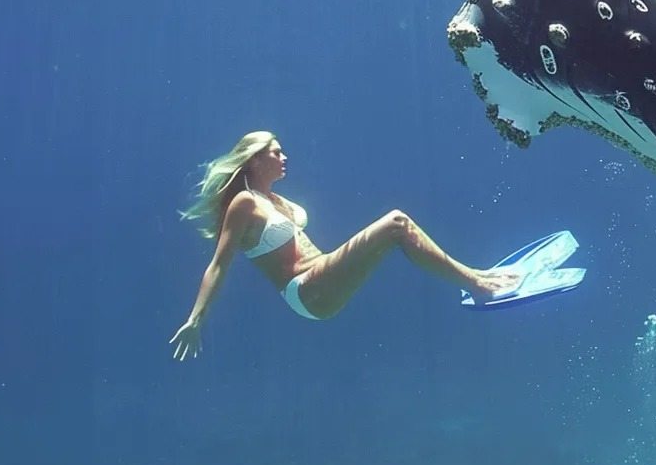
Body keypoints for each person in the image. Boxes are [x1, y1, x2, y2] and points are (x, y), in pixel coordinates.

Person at [169, 131, 520, 360]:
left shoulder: (275, 199)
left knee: (397, 234)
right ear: (255, 160)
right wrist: (197, 320)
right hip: (306, 290)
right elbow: (219, 263)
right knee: (396, 223)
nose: (285, 157)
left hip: (320, 283)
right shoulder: (244, 203)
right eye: (277, 152)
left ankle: (475, 277)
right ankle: (476, 283)